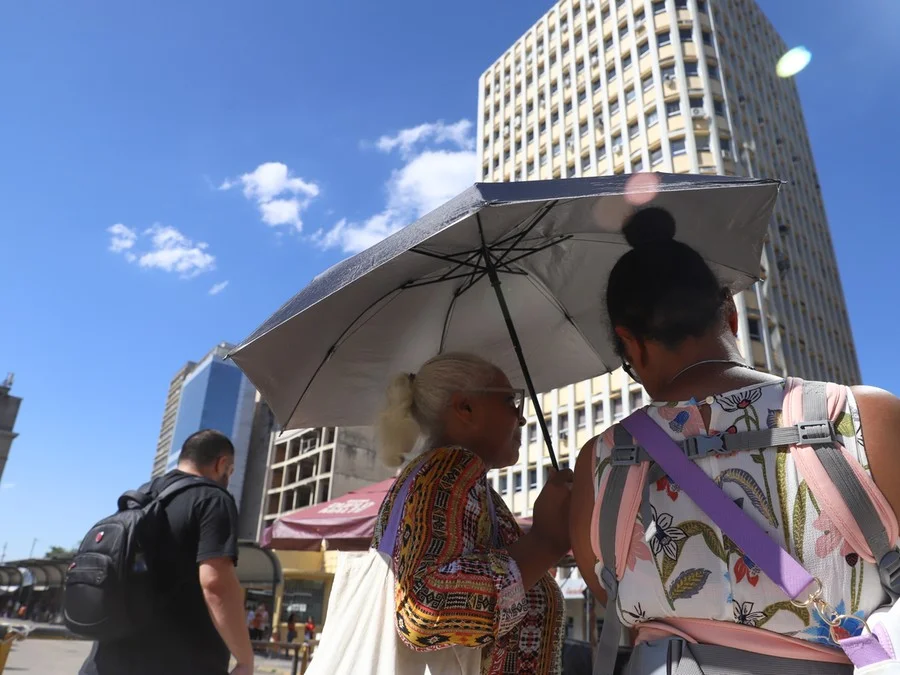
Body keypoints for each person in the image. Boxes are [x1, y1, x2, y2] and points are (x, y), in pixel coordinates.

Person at [569, 208, 900, 669]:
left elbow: (616, 601)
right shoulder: (862, 415)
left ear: (632, 343)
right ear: (730, 314)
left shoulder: (601, 460)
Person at [372, 352, 572, 674]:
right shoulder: (449, 468)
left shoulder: (456, 478)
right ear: (465, 407)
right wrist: (546, 540)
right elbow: (424, 606)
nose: (521, 418)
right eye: (510, 401)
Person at [80, 430, 254, 675]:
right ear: (221, 463)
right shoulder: (213, 498)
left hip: (105, 661)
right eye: (230, 470)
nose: (229, 477)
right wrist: (245, 660)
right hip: (178, 662)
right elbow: (217, 584)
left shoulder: (141, 496)